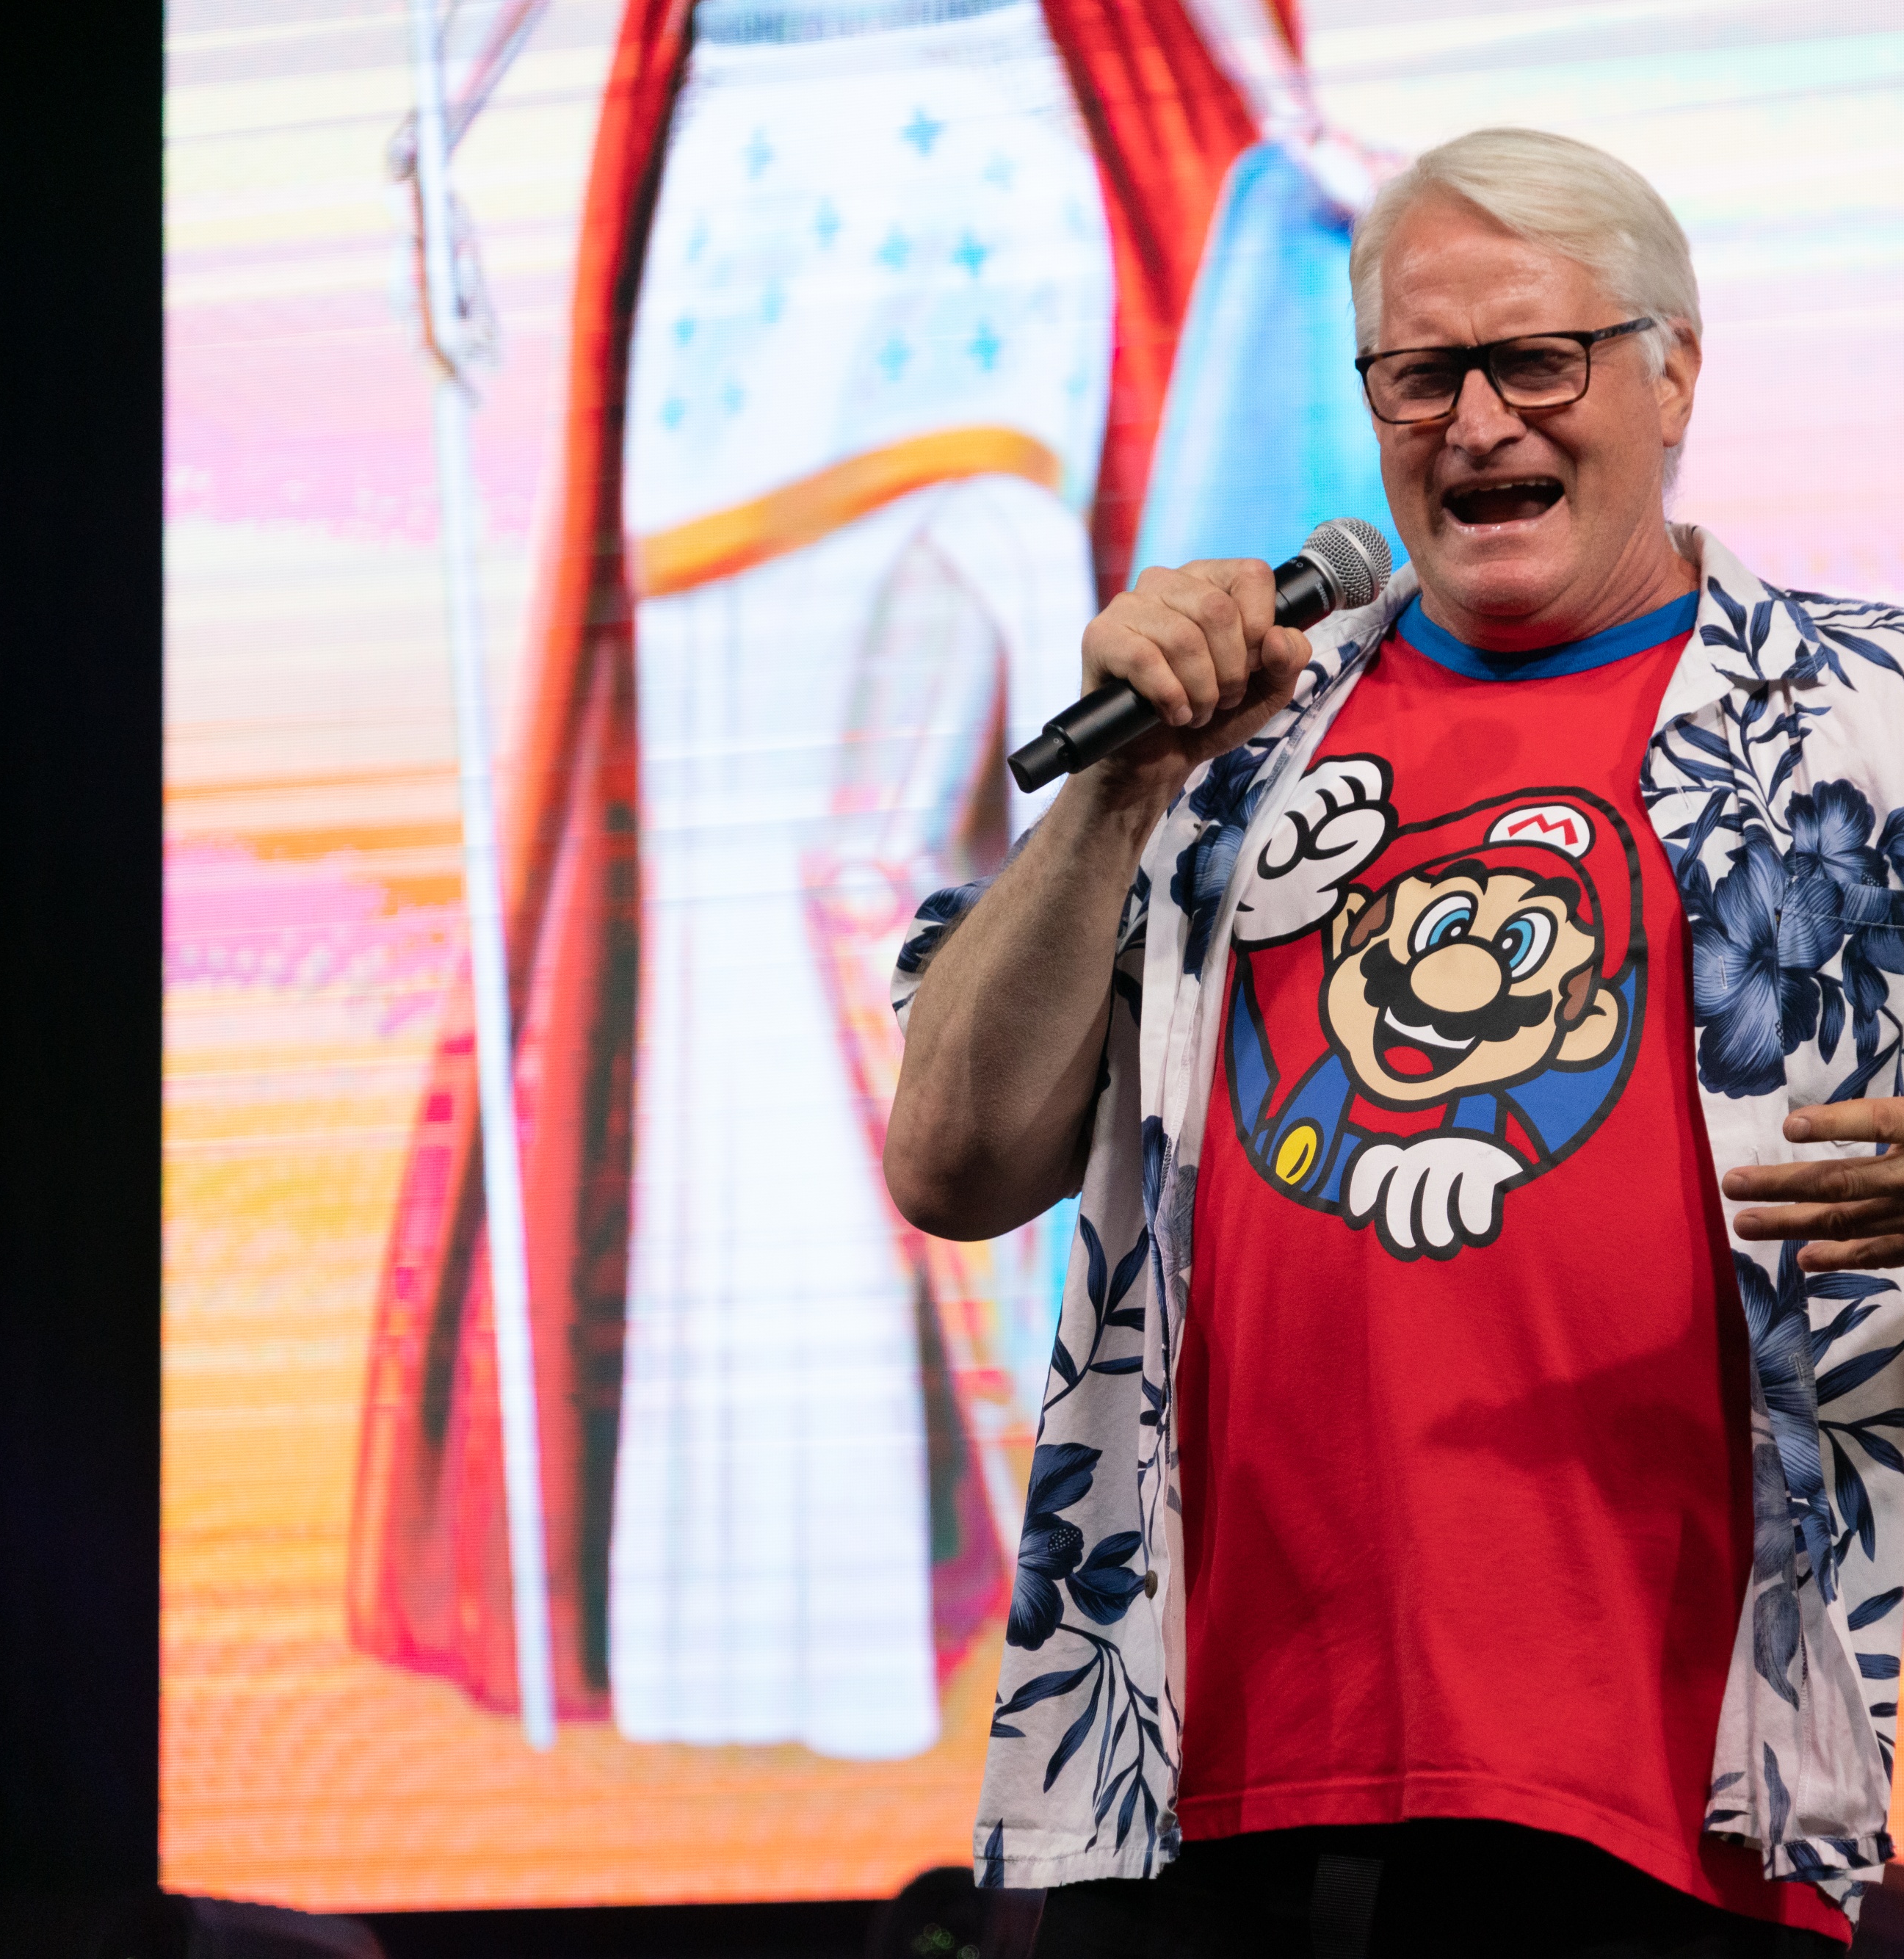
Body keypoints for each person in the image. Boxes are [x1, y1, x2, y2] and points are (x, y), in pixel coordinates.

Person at [884, 128, 1904, 1950]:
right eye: (1420, 375)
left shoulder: (1893, 717)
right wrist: (1119, 787)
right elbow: (951, 1163)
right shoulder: (1231, 736)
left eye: (1537, 360)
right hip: (1181, 1804)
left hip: (1667, 1816)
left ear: (1672, 376)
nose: (1477, 422)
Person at [347, 0, 1392, 1758]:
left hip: (871, 193)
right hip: (896, 195)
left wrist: (436, 139)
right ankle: (953, 1596)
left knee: (933, 878)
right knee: (949, 876)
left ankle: (860, 1609)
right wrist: (431, 144)